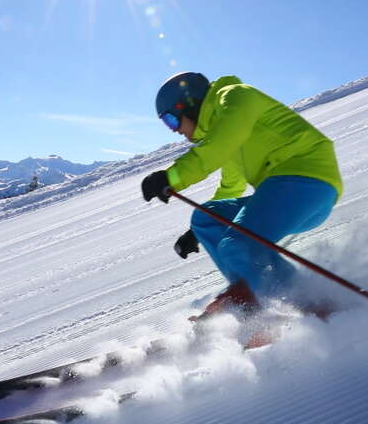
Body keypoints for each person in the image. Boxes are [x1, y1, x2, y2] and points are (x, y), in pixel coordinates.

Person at [140, 71, 343, 320]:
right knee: (207, 218)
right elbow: (231, 185)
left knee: (238, 243)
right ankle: (259, 294)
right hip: (286, 193)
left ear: (189, 104)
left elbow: (220, 145)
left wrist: (171, 177)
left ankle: (278, 305)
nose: (173, 130)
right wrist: (197, 232)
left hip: (307, 180)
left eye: (171, 120)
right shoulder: (223, 128)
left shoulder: (235, 97)